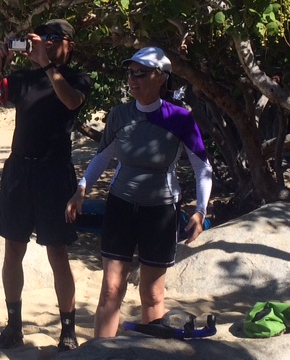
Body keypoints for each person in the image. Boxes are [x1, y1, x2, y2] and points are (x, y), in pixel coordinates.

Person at [65, 46, 212, 338]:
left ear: (161, 78)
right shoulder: (119, 115)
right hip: (120, 207)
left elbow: (203, 168)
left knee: (153, 294)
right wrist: (81, 188)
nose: (133, 79)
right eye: (130, 73)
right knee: (111, 289)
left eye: (141, 73)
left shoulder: (180, 119)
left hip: (161, 212)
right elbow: (102, 156)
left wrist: (200, 210)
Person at [0, 18, 90, 351]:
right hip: (19, 173)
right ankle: (14, 326)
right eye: (42, 37)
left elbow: (71, 102)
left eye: (54, 38)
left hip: (54, 173)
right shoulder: (24, 80)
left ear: (69, 45)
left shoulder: (76, 78)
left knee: (57, 253)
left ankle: (67, 330)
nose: (46, 42)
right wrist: (0, 62)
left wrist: (46, 65)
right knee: (13, 249)